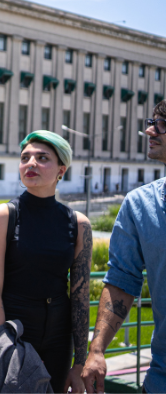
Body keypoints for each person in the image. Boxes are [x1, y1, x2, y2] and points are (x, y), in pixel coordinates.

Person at [0, 130, 92, 393]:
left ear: (61, 171)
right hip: (14, 331)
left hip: (59, 337)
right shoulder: (4, 215)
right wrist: (4, 344)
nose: (31, 163)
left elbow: (80, 296)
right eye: (25, 157)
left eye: (42, 158)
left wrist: (80, 361)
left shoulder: (78, 224)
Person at [82, 102, 166, 393]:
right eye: (152, 122)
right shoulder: (140, 205)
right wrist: (97, 349)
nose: (149, 131)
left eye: (161, 124)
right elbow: (122, 280)